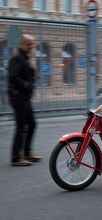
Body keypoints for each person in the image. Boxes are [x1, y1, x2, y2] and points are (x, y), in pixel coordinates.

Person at [7, 34, 42, 166]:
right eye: (30, 44)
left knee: (32, 124)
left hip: (25, 97)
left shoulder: (26, 58)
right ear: (23, 44)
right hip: (17, 97)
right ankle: (16, 158)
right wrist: (28, 85)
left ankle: (27, 153)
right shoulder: (17, 58)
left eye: (32, 44)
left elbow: (28, 75)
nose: (32, 46)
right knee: (21, 127)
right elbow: (13, 77)